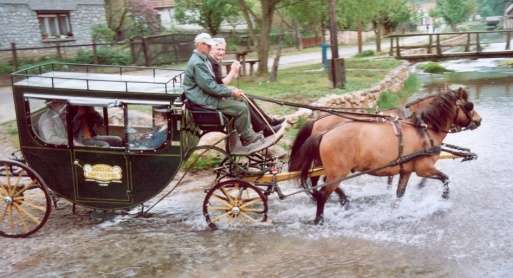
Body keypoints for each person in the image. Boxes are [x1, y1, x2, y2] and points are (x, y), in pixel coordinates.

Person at [183, 33, 263, 147]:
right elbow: (211, 87)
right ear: (200, 45)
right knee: (241, 109)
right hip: (203, 99)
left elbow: (213, 84)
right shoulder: (198, 63)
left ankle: (246, 132)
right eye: (208, 45)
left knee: (242, 100)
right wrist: (230, 92)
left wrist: (232, 91)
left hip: (205, 94)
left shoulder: (202, 58)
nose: (211, 48)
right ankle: (248, 138)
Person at [209, 37, 284, 136]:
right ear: (211, 49)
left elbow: (218, 84)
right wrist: (233, 72)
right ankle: (263, 128)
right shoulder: (211, 63)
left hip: (219, 95)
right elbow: (220, 85)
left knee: (248, 97)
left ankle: (268, 122)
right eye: (218, 49)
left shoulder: (214, 62)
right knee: (244, 100)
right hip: (215, 100)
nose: (221, 52)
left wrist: (231, 86)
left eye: (223, 49)